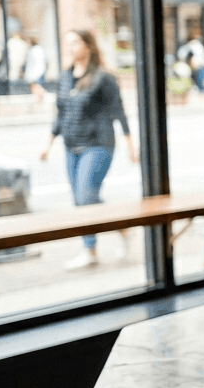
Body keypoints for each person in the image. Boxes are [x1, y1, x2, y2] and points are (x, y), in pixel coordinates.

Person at [41, 29, 138, 270]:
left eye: (75, 42)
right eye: (67, 43)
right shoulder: (65, 77)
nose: (70, 47)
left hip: (98, 144)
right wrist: (48, 144)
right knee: (81, 200)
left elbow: (118, 110)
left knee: (86, 197)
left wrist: (130, 145)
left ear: (88, 46)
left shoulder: (102, 77)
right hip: (71, 145)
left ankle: (92, 249)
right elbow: (61, 113)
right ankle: (118, 231)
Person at [24, 36, 47, 101]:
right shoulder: (39, 49)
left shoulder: (34, 50)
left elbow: (31, 63)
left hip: (35, 72)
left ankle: (39, 100)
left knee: (36, 87)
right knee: (37, 87)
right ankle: (40, 100)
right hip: (39, 71)